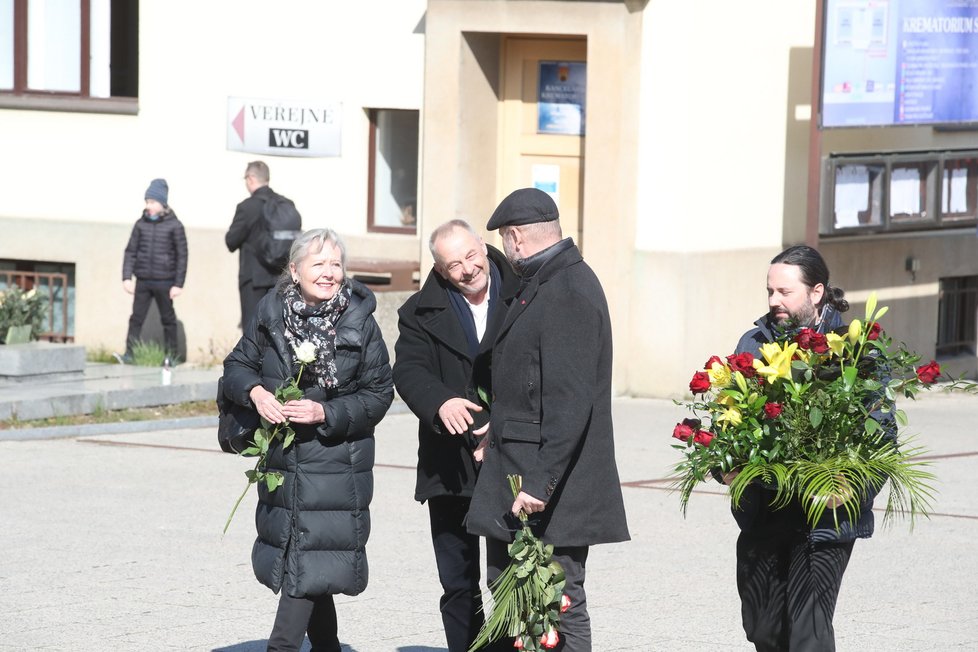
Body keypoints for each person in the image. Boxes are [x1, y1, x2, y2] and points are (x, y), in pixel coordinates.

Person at [465, 188, 630, 651]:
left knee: (559, 603)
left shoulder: (568, 290)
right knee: (514, 603)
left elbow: (570, 401)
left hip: (547, 487)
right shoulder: (549, 281)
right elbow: (531, 383)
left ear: (515, 237)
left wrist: (539, 484)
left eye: (504, 240)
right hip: (522, 470)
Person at [222, 228, 394, 652]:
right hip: (284, 462)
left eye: (336, 264)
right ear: (295, 270)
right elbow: (237, 364)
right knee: (310, 569)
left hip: (335, 464)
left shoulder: (360, 322)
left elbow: (378, 394)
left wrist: (326, 412)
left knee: (304, 567)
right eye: (319, 263)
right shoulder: (270, 312)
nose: (329, 272)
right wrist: (256, 392)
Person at [727, 244, 890, 651]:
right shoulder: (753, 342)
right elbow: (727, 419)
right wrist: (724, 467)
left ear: (816, 292)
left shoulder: (853, 350)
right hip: (766, 508)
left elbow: (882, 436)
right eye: (770, 291)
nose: (773, 301)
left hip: (824, 516)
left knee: (807, 635)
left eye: (785, 292)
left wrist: (849, 488)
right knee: (763, 629)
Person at [392, 219, 518, 652]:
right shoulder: (418, 311)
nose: (467, 269)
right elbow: (408, 369)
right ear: (440, 271)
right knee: (458, 581)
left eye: (470, 255)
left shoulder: (525, 291)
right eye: (454, 265)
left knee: (509, 577)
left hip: (510, 459)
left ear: (482, 247)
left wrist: (500, 428)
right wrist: (439, 401)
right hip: (451, 464)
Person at [119, 178, 187, 363]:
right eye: (147, 202)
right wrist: (126, 277)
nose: (148, 205)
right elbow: (130, 251)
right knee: (136, 318)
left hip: (165, 281)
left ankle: (171, 356)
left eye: (152, 202)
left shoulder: (175, 226)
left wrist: (178, 284)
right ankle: (129, 354)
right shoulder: (140, 224)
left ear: (162, 203)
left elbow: (182, 256)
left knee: (168, 320)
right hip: (143, 280)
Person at [225, 160, 279, 329]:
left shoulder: (247, 207)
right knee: (277, 328)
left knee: (252, 331)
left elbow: (231, 241)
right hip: (280, 277)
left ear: (250, 179)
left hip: (252, 279)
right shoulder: (284, 205)